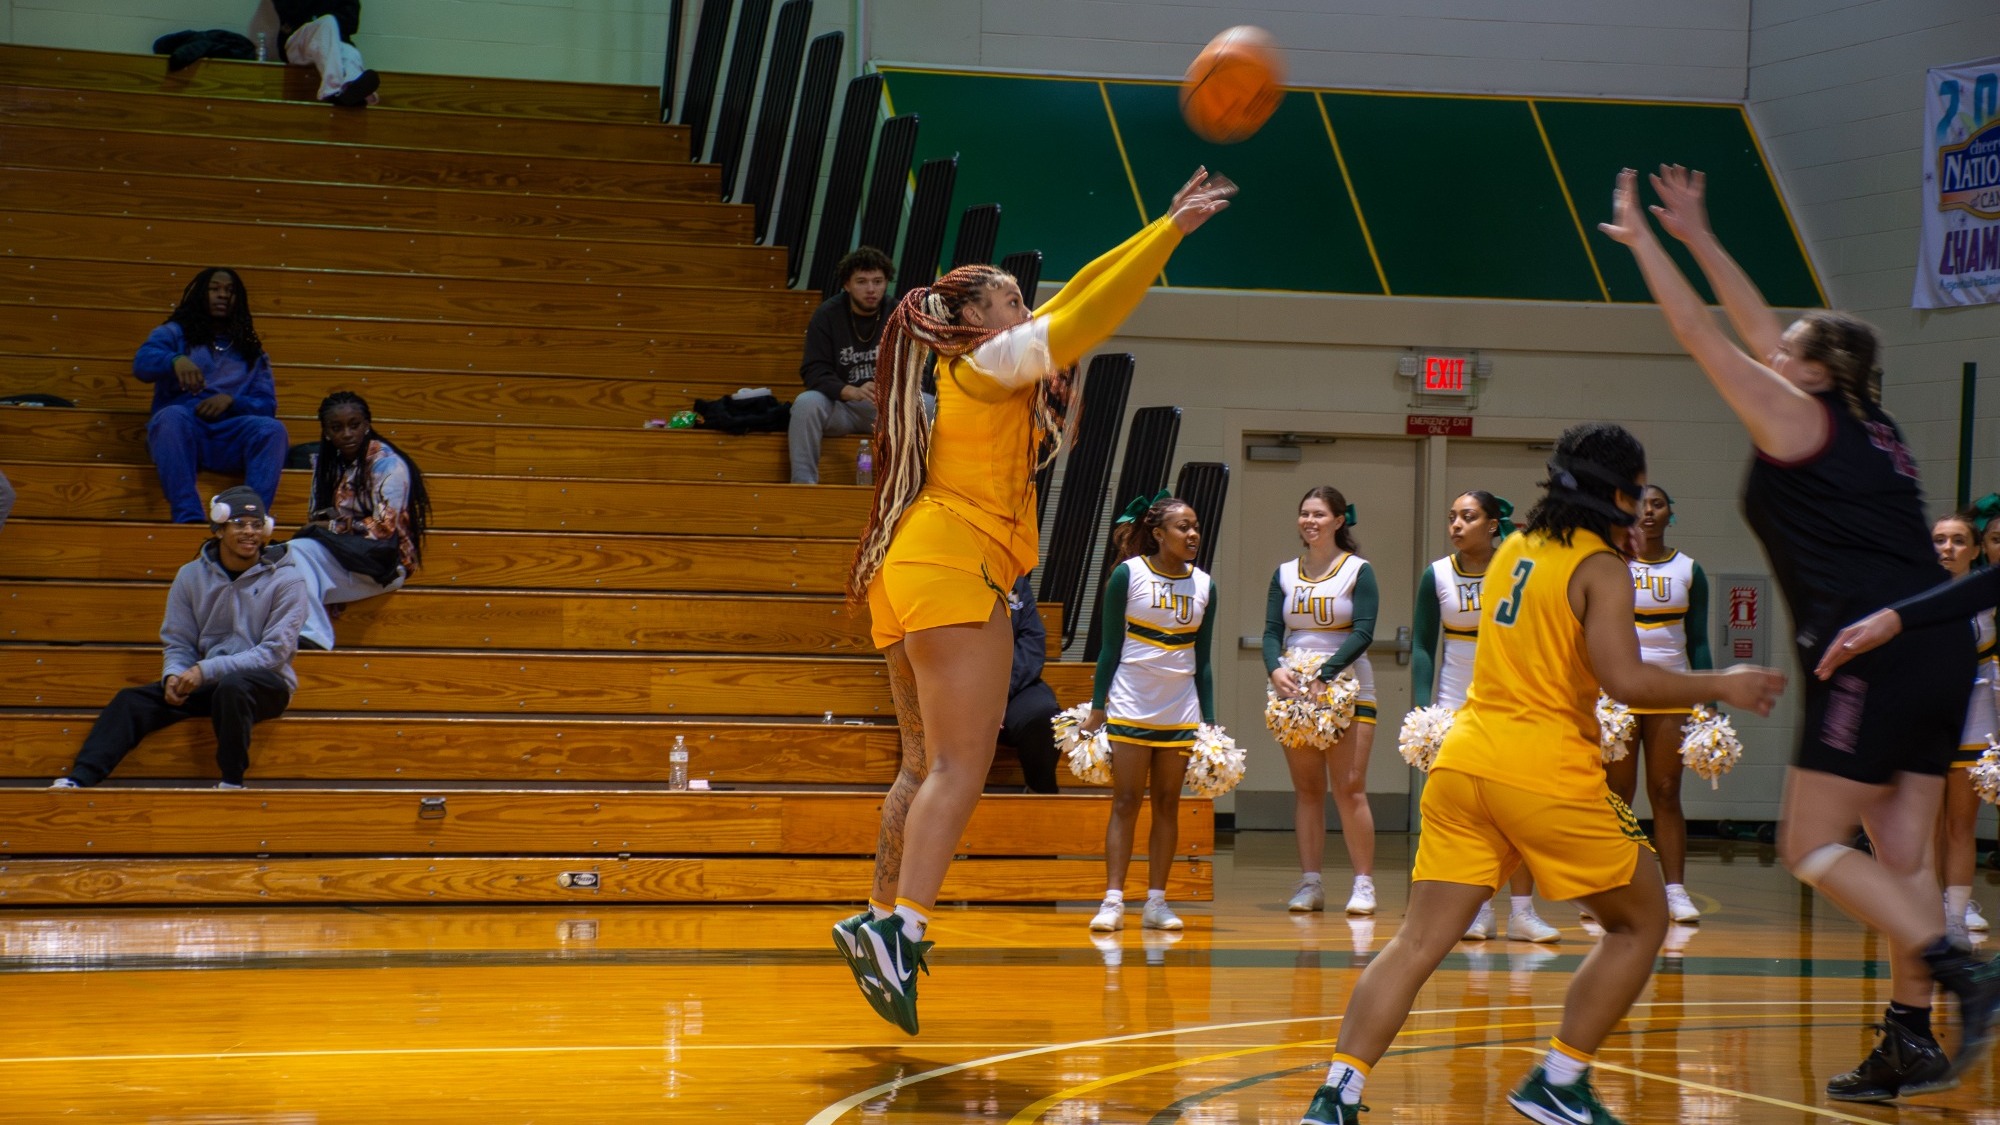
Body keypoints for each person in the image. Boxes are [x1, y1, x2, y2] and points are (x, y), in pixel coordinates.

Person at [1609, 163, 1998, 1099]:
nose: (1770, 352)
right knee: (1897, 854)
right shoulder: (1870, 422)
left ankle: (1959, 964)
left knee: (1810, 845)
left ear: (1814, 371)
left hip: (1871, 651)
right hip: (1939, 641)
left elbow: (1701, 332)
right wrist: (1701, 235)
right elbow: (1753, 327)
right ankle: (1909, 1035)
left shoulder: (1794, 415)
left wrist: (1648, 244)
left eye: (1786, 350)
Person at [829, 168, 1234, 1036]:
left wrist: (1159, 223)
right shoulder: (988, 360)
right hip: (951, 562)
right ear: (977, 317)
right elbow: (1087, 317)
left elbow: (1079, 290)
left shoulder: (976, 365)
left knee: (925, 765)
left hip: (919, 564)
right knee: (959, 765)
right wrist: (1170, 239)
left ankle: (878, 914)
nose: (1030, 310)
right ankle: (902, 932)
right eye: (1014, 300)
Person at [1298, 423, 1784, 1125]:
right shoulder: (1600, 566)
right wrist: (1720, 684)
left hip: (1464, 762)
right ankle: (1558, 1080)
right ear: (1617, 493)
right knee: (1641, 921)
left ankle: (1335, 1094)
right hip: (1542, 769)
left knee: (1415, 942)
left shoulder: (1515, 549)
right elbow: (1626, 680)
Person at [51, 487, 309, 790]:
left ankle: (232, 782)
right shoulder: (190, 576)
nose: (250, 532)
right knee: (131, 700)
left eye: (256, 525)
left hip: (266, 685)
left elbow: (274, 652)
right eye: (239, 524)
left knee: (233, 687)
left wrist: (204, 670)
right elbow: (179, 641)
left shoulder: (287, 580)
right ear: (219, 528)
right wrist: (174, 673)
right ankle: (79, 780)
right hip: (209, 682)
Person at [1412, 490, 1561, 945]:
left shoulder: (1518, 570)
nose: (1456, 525)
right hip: (1454, 703)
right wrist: (1422, 709)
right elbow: (1422, 645)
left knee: (1517, 810)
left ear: (1494, 525)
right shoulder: (1437, 574)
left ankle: (1522, 912)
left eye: (1468, 517)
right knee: (1467, 816)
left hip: (1511, 701)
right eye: (1452, 517)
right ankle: (1477, 911)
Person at [1082, 494, 1216, 934]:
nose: (1193, 534)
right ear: (1158, 533)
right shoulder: (1128, 574)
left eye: (1195, 526)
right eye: (1183, 527)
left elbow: (1204, 659)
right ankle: (1113, 900)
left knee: (1168, 803)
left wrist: (1210, 722)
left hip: (1180, 708)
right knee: (1125, 801)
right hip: (1131, 702)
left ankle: (1157, 901)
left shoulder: (1205, 585)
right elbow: (1109, 649)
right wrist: (1098, 708)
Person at [1265, 486, 1380, 916]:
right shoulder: (1284, 573)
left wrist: (1326, 673)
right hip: (1296, 689)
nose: (1309, 521)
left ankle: (1363, 884)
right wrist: (1275, 669)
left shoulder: (1358, 571)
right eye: (1304, 513)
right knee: (1308, 790)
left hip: (1349, 684)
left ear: (1338, 521)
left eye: (1319, 514)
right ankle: (1310, 883)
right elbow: (1271, 632)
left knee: (1349, 788)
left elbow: (1363, 631)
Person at [1605, 485, 1711, 924]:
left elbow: (1699, 641)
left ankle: (1675, 890)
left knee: (1666, 790)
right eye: (1641, 504)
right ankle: (1614, 887)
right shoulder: (1610, 566)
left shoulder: (1689, 569)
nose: (1648, 512)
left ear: (1671, 514)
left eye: (1658, 504)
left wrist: (1708, 702)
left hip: (1671, 691)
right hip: (1619, 692)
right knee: (1617, 793)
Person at [135, 268, 290, 524]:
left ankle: (250, 520)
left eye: (230, 291)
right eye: (214, 289)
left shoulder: (251, 351)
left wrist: (232, 401)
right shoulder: (174, 333)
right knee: (170, 417)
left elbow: (266, 405)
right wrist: (174, 360)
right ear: (201, 294)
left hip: (229, 437)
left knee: (273, 430)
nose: (222, 295)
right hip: (183, 435)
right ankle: (189, 518)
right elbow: (141, 364)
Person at [285, 391, 431, 651]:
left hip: (385, 565)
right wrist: (325, 527)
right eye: (337, 428)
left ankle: (314, 634)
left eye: (354, 425)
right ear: (326, 432)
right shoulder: (327, 465)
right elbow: (316, 518)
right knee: (283, 556)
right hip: (344, 557)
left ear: (367, 425)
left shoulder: (387, 464)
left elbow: (384, 529)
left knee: (297, 553)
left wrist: (331, 527)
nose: (347, 434)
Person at [1925, 510, 1996, 943]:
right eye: (1939, 540)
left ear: (1974, 550)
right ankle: (1929, 906)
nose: (1947, 548)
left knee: (1960, 823)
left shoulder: (1989, 595)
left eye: (1957, 540)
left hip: (1974, 715)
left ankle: (1956, 912)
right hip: (1927, 716)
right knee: (1926, 823)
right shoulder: (1914, 593)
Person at [791, 247, 893, 484]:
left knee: (929, 404)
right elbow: (813, 370)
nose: (871, 289)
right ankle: (802, 485)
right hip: (842, 407)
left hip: (886, 412)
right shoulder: (827, 315)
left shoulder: (898, 313)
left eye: (878, 281)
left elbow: (920, 371)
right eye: (862, 282)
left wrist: (890, 392)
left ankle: (919, 487)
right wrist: (850, 391)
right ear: (847, 285)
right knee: (805, 404)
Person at [250, 1, 380, 106]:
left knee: (351, 52)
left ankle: (351, 89)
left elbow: (352, 21)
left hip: (334, 40)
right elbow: (289, 12)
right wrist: (318, 18)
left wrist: (320, 19)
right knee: (327, 22)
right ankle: (332, 89)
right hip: (298, 39)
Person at [1001, 574, 1062, 794]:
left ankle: (1039, 793)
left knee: (1044, 714)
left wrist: (1001, 692)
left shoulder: (1014, 580)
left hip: (1012, 684)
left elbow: (1032, 640)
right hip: (960, 687)